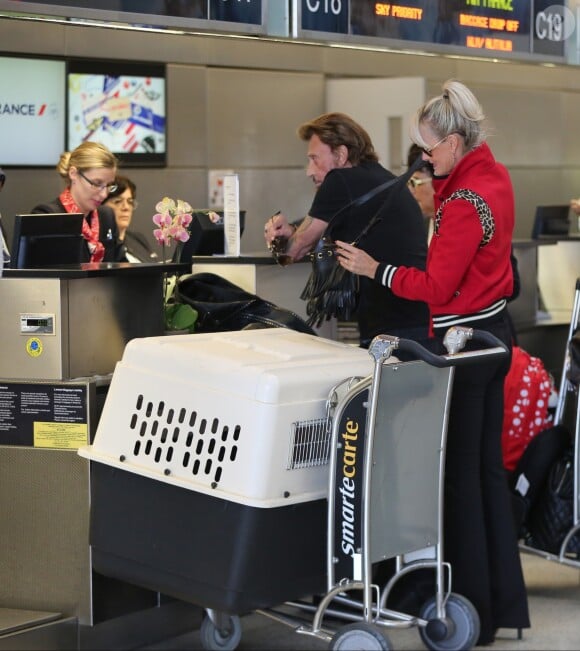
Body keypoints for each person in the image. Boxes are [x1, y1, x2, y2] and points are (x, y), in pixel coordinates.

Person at [335, 80, 530, 645]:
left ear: (452, 141)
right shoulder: (493, 178)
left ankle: (467, 607)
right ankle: (496, 607)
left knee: (459, 481)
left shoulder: (464, 202)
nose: (423, 159)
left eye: (428, 148)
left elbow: (438, 284)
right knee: (488, 474)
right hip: (494, 338)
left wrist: (377, 270)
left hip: (464, 347)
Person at [263, 112, 429, 348]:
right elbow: (325, 224)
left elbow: (293, 252)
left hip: (393, 330)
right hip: (418, 322)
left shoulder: (340, 180)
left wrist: (276, 238)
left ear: (341, 154)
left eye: (315, 159)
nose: (309, 171)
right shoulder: (381, 178)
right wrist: (291, 229)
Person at [31, 142, 122, 263]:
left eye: (109, 185)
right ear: (73, 174)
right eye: (96, 184)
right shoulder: (48, 216)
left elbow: (121, 263)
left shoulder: (106, 216)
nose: (104, 194)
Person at [104, 175, 159, 263]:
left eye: (130, 202)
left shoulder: (138, 238)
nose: (126, 207)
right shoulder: (99, 246)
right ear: (101, 207)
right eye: (117, 201)